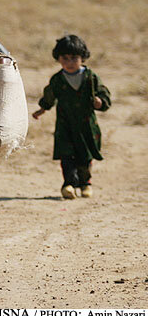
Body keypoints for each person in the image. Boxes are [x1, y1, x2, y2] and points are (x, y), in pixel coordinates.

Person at [32, 35, 111, 199]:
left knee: (85, 156)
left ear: (82, 58)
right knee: (66, 156)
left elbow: (104, 94)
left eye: (74, 58)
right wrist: (41, 110)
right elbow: (49, 97)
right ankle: (68, 184)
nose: (69, 62)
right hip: (65, 124)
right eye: (65, 58)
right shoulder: (57, 79)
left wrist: (100, 102)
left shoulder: (91, 77)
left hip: (86, 125)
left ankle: (85, 184)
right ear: (58, 59)